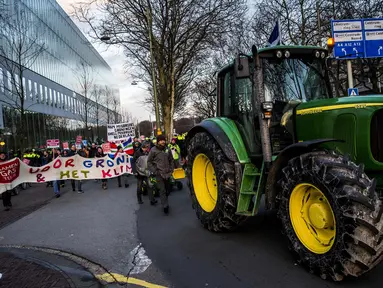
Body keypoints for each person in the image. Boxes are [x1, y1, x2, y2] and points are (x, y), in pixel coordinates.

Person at [147, 135, 174, 214]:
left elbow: (171, 160)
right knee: (162, 190)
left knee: (167, 190)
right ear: (158, 141)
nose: (163, 142)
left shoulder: (167, 149)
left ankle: (165, 200)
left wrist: (171, 169)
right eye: (161, 140)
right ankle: (165, 205)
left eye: (164, 140)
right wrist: (155, 171)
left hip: (168, 173)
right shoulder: (153, 150)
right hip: (159, 174)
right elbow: (149, 162)